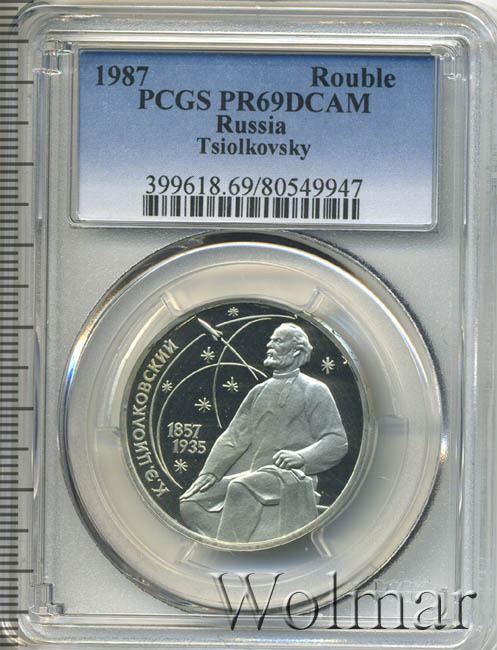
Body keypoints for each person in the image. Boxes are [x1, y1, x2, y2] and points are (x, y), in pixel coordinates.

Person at [179, 322, 348, 543]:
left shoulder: (315, 390)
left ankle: (230, 552)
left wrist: (301, 457)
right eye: (270, 340)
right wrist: (210, 473)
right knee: (191, 501)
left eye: (278, 340)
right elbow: (234, 436)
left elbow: (336, 440)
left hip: (291, 476)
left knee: (241, 488)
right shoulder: (258, 391)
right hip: (255, 474)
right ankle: (245, 544)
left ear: (295, 351)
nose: (269, 345)